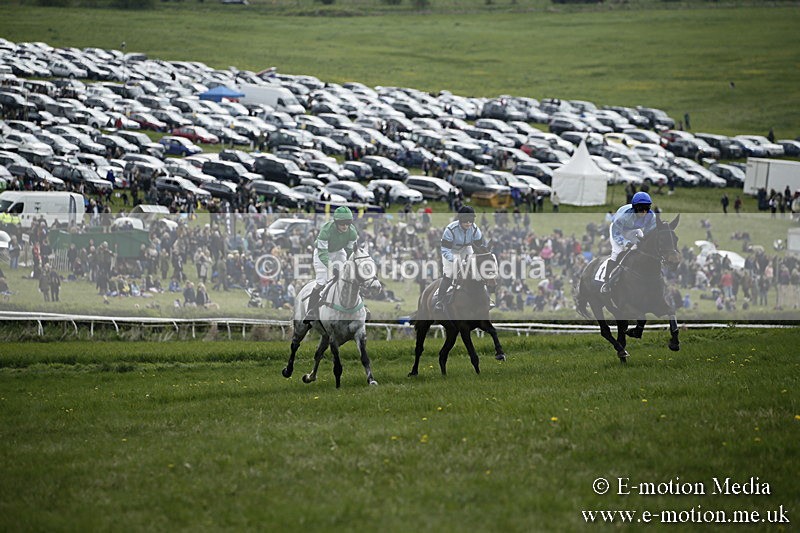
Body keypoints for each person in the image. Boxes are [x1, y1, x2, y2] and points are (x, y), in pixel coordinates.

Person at [303, 206, 359, 324]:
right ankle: (311, 311)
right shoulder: (326, 229)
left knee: (348, 278)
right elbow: (323, 253)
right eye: (342, 224)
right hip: (322, 253)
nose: (345, 226)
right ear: (336, 222)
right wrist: (332, 268)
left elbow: (349, 252)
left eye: (347, 223)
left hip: (339, 251)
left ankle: (358, 307)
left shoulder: (352, 232)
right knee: (322, 281)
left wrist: (350, 266)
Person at [600, 192, 657, 294]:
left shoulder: (651, 217)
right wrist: (626, 243)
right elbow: (616, 233)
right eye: (640, 208)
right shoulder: (624, 216)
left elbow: (649, 233)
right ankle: (606, 283)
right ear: (635, 207)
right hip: (617, 231)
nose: (643, 211)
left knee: (642, 248)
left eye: (646, 208)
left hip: (633, 230)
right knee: (617, 252)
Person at [435, 205, 484, 311]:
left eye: (470, 221)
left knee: (477, 273)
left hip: (466, 248)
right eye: (466, 221)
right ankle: (440, 301)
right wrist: (455, 260)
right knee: (449, 274)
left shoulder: (475, 230)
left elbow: (478, 248)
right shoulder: (450, 230)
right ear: (460, 220)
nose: (468, 224)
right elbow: (445, 250)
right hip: (451, 251)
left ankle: (483, 298)